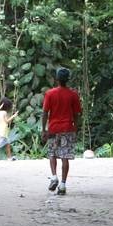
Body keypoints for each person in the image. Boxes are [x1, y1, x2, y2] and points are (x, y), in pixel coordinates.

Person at [41, 67, 82, 195]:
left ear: (57, 79)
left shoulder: (50, 93)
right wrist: (76, 128)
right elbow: (77, 115)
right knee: (65, 157)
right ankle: (63, 185)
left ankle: (54, 177)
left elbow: (45, 113)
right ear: (67, 80)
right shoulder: (73, 95)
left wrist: (44, 129)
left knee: (52, 154)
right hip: (68, 129)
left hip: (53, 128)